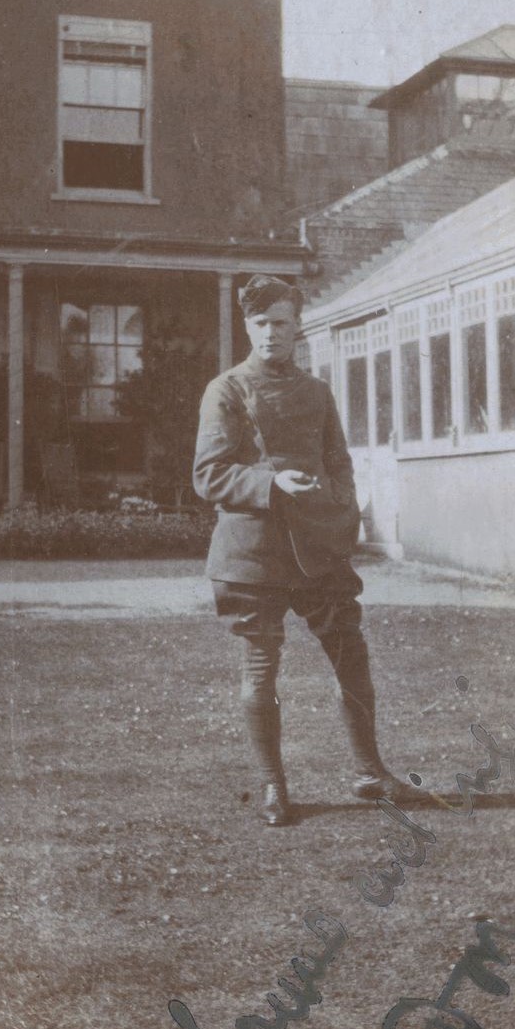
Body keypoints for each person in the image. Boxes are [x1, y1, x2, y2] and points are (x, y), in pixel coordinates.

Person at [192, 273, 428, 826]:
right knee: (261, 669)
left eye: (280, 322)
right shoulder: (226, 390)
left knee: (353, 657)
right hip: (254, 555)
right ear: (247, 327)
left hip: (319, 551)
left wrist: (345, 512)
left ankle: (371, 772)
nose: (270, 334)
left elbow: (339, 461)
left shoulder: (317, 392)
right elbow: (208, 475)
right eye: (260, 324)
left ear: (297, 326)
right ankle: (274, 787)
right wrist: (269, 485)